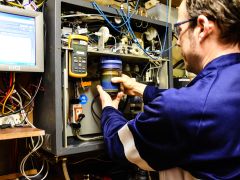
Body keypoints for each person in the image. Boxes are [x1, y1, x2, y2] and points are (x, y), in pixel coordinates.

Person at [97, 0, 240, 179]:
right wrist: (140, 88)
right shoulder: (219, 88)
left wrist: (108, 109)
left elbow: (118, 145)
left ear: (202, 27)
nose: (177, 42)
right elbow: (203, 99)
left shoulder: (185, 107)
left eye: (178, 30)